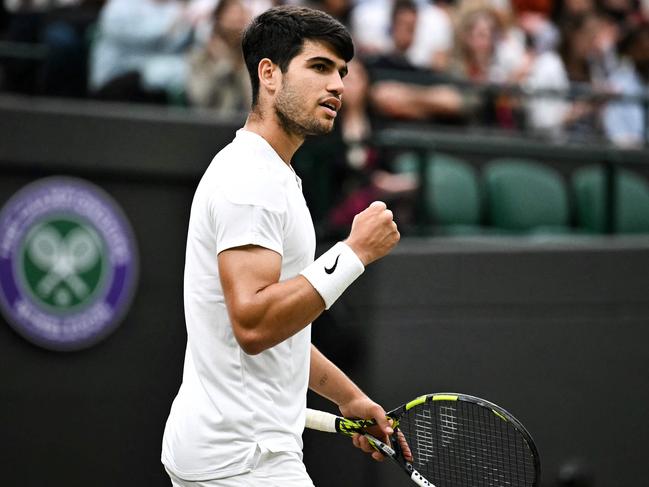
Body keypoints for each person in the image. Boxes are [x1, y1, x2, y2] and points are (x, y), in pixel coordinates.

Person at [161, 6, 403, 486]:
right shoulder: (251, 178)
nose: (337, 84)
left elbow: (278, 332)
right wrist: (353, 254)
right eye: (319, 67)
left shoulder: (272, 175)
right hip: (244, 459)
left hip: (235, 453)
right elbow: (254, 323)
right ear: (268, 74)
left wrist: (348, 397)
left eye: (342, 72)